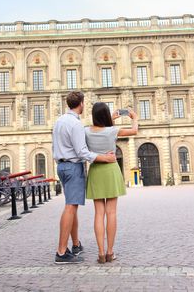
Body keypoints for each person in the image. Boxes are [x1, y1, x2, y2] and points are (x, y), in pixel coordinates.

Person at [52, 92, 116, 264]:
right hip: (73, 167)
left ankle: (75, 244)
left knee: (72, 206)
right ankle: (61, 252)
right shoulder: (76, 124)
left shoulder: (59, 121)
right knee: (70, 207)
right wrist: (104, 157)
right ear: (80, 103)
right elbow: (82, 152)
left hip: (61, 166)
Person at [85, 102, 138, 263]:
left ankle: (100, 253)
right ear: (107, 116)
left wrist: (110, 120)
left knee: (98, 214)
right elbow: (134, 131)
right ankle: (110, 252)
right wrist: (134, 118)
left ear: (93, 116)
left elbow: (98, 133)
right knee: (112, 213)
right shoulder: (112, 131)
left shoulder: (86, 131)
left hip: (96, 170)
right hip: (111, 169)